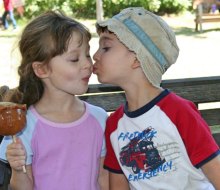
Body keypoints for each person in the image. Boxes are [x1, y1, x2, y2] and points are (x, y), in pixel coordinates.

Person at [93, 7, 220, 190]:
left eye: (106, 47)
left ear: (137, 58)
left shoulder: (179, 112)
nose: (96, 55)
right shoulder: (114, 125)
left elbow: (215, 170)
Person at [0, 10, 109, 190]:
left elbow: (103, 179)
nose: (87, 64)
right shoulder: (24, 127)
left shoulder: (99, 119)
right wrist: (18, 170)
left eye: (87, 55)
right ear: (42, 69)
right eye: (74, 59)